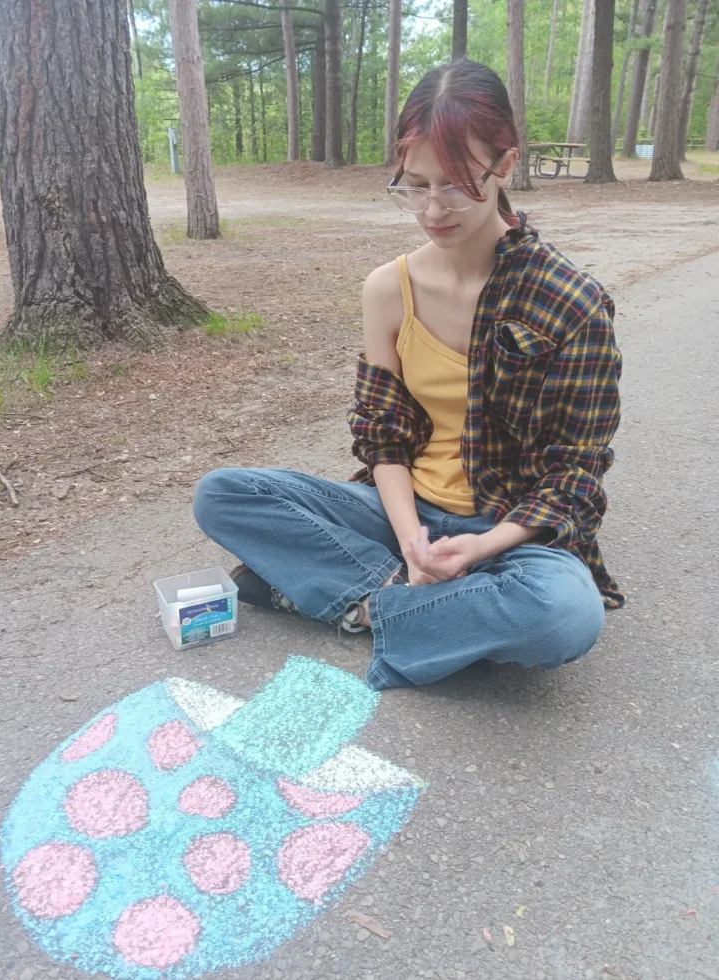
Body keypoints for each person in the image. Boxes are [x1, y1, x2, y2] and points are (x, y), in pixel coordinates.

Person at [193, 60, 623, 691]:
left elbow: (576, 473)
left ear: (505, 164)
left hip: (508, 530)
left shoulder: (572, 302)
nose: (431, 209)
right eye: (413, 185)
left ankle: (360, 603)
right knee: (223, 494)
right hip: (402, 514)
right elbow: (382, 433)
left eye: (453, 185)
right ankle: (412, 602)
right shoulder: (388, 288)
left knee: (564, 615)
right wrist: (412, 543)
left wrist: (476, 549)